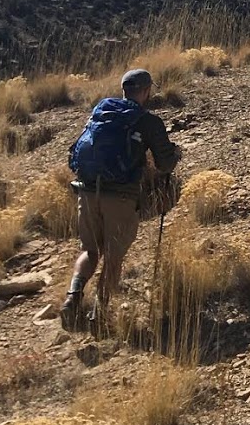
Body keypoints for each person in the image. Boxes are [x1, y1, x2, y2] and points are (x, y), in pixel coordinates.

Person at [60, 68, 182, 331]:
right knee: (113, 259)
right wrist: (175, 155)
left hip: (88, 191)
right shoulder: (148, 121)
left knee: (90, 251)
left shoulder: (101, 111)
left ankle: (73, 296)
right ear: (147, 91)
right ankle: (99, 312)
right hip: (121, 196)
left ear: (124, 89)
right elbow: (164, 163)